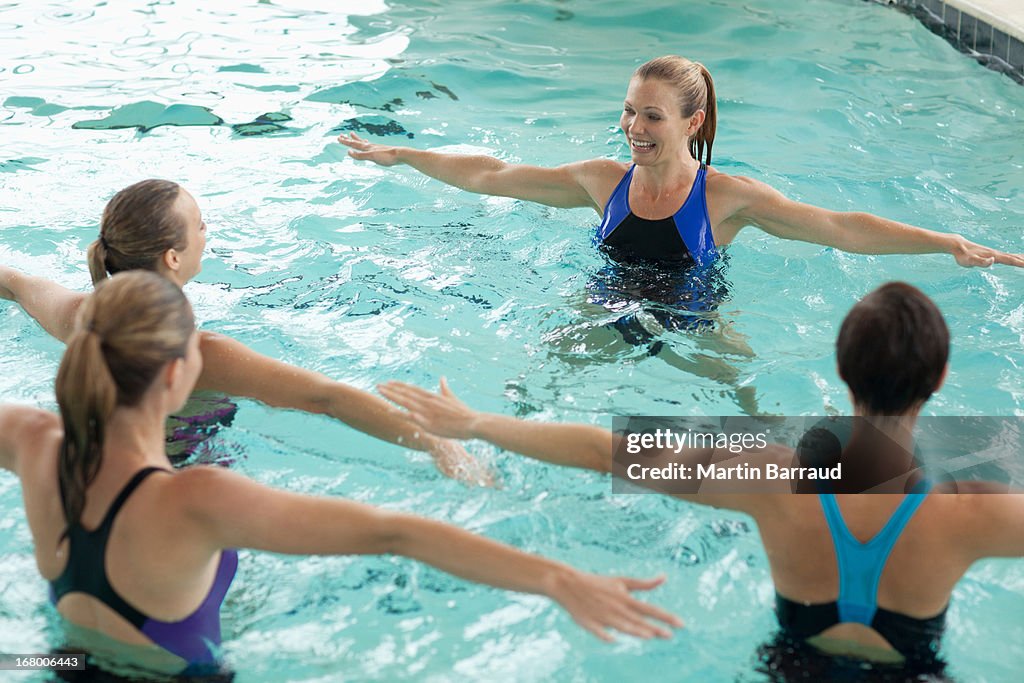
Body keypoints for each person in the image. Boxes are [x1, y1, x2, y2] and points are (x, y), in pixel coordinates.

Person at [0, 271, 681, 677]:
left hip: (53, 665)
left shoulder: (32, 440)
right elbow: (393, 533)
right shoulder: (195, 499)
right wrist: (560, 578)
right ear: (178, 375)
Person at [378, 282, 1024, 674]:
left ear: (842, 370)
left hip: (790, 664)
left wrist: (475, 423)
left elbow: (604, 450)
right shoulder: (975, 509)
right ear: (938, 381)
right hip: (914, 672)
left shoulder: (769, 470)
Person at [0, 179, 491, 483]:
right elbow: (328, 398)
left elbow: (17, 283)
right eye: (201, 225)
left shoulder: (83, 317)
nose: (207, 233)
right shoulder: (199, 355)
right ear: (174, 257)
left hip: (86, 481)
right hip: (176, 481)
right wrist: (438, 443)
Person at [338, 55, 1023, 271]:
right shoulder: (600, 181)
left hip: (698, 322)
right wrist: (402, 155)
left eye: (653, 117)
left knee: (753, 421)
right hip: (607, 307)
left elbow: (842, 227)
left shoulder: (727, 198)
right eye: (630, 111)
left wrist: (948, 243)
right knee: (537, 384)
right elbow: (489, 175)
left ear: (693, 124)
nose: (633, 128)